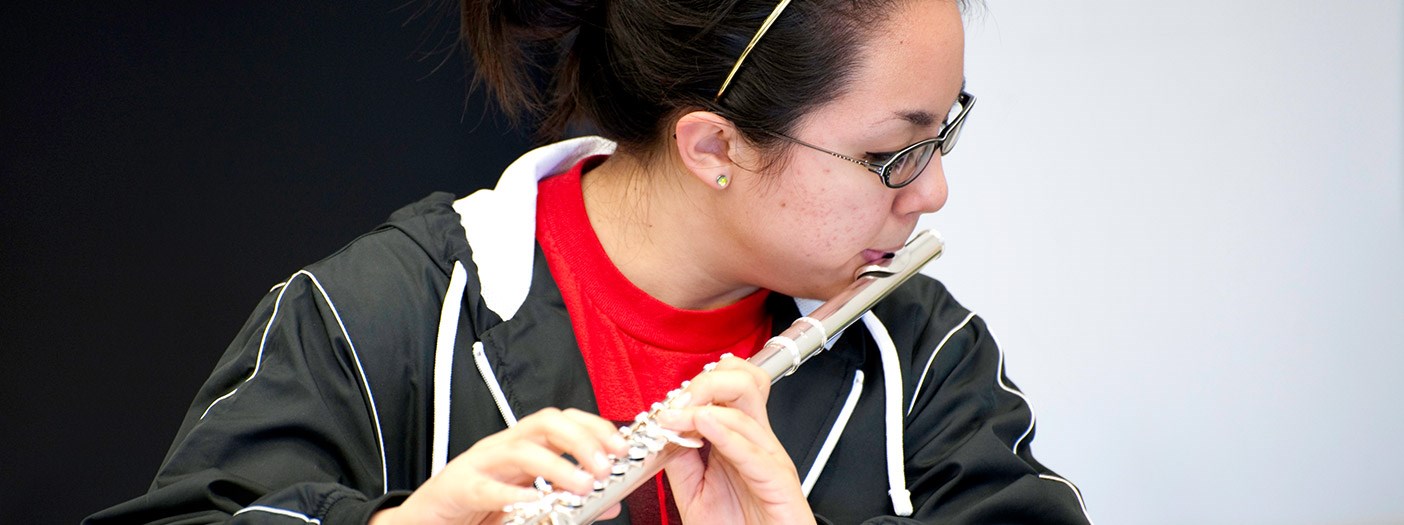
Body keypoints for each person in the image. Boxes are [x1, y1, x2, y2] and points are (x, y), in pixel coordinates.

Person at [86, 0, 1092, 523]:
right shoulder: (371, 320)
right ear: (714, 147)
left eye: (941, 136)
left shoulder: (922, 355)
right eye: (893, 153)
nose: (930, 194)